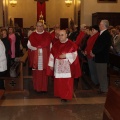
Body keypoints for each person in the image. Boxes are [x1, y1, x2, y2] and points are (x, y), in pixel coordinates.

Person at [47, 30, 81, 102]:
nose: (60, 37)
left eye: (62, 35)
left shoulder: (71, 44)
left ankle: (66, 96)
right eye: (59, 35)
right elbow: (52, 55)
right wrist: (51, 64)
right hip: (58, 66)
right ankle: (60, 94)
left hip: (67, 67)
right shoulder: (55, 44)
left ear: (66, 35)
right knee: (59, 80)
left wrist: (66, 55)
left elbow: (75, 54)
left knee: (67, 81)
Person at [27, 21, 52, 93]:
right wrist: (37, 48)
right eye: (38, 26)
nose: (40, 27)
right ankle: (37, 88)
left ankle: (44, 88)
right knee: (36, 73)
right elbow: (29, 45)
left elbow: (50, 47)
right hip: (36, 56)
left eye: (41, 26)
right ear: (36, 27)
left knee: (44, 73)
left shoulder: (47, 35)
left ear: (43, 27)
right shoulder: (32, 35)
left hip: (45, 56)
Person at [91, 20, 111, 94]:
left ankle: (104, 89)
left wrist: (93, 52)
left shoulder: (106, 34)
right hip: (99, 57)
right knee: (99, 73)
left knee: (102, 74)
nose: (99, 25)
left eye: (100, 24)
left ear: (103, 25)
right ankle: (101, 88)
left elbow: (101, 47)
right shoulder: (102, 33)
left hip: (102, 58)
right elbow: (97, 45)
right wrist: (93, 51)